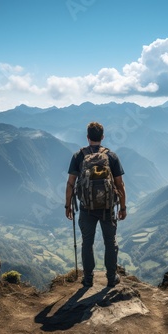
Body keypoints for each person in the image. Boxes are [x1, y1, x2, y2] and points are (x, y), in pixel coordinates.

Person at [65, 121, 127, 288]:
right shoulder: (111, 156)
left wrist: (68, 206)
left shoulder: (79, 156)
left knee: (87, 242)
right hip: (107, 208)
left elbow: (70, 183)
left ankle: (88, 279)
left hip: (86, 207)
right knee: (110, 241)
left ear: (87, 137)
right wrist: (123, 207)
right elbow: (120, 184)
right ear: (102, 137)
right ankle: (111, 277)